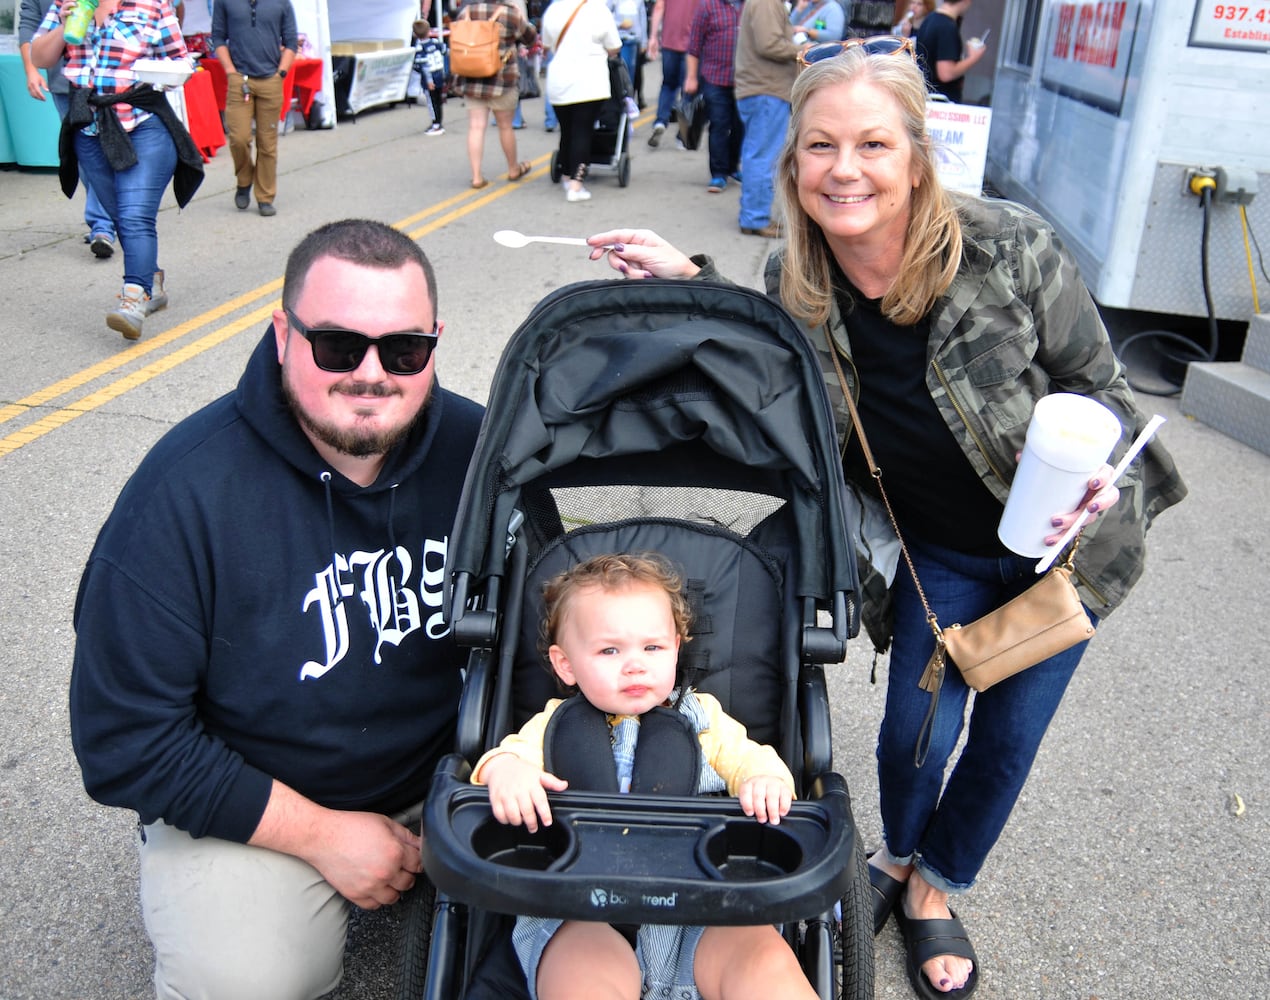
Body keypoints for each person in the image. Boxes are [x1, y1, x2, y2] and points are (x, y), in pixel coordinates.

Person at [585, 44, 1186, 999]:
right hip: (933, 552)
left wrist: (1107, 475)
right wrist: (686, 274)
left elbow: (1098, 383)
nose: (845, 168)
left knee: (1004, 740)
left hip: (1059, 554)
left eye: (873, 143)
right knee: (911, 730)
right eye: (820, 146)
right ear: (795, 167)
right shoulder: (796, 275)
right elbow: (759, 354)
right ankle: (900, 850)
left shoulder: (1009, 248)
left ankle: (935, 889)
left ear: (915, 157)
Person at [69, 218, 485, 1000]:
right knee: (245, 981)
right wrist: (324, 835)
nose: (371, 374)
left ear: (433, 342)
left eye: (403, 350)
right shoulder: (184, 493)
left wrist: (490, 778)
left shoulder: (480, 449)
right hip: (271, 797)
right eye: (337, 346)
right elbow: (122, 739)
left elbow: (553, 630)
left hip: (453, 772)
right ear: (283, 333)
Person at [473, 552, 819, 1000]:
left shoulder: (702, 720)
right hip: (580, 910)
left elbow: (754, 759)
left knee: (763, 964)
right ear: (566, 665)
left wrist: (766, 782)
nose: (634, 664)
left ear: (676, 647)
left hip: (703, 907)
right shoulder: (553, 726)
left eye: (652, 648)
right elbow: (500, 762)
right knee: (581, 980)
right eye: (609, 650)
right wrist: (507, 773)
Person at [32, 0, 203, 342]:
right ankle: (151, 281)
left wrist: (158, 73)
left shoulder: (153, 5)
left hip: (144, 123)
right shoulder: (68, 4)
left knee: (135, 215)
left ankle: (133, 299)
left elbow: (180, 60)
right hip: (90, 126)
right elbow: (40, 58)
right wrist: (60, 28)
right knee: (118, 215)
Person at [19, 0, 118, 259]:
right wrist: (31, 69)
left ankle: (103, 225)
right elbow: (28, 23)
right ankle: (108, 216)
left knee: (106, 151)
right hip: (64, 83)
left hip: (106, 80)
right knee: (85, 156)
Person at [212, 0, 298, 217]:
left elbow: (291, 43)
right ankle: (244, 179)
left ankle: (265, 197)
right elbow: (218, 37)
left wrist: (281, 73)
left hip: (271, 79)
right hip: (239, 79)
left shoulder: (281, 3)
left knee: (267, 144)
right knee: (239, 138)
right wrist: (231, 71)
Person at [732, 0, 802, 238]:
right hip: (766, 89)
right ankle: (755, 218)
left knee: (758, 153)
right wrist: (802, 50)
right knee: (763, 156)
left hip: (763, 89)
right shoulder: (767, 3)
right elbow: (769, 44)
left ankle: (754, 215)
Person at [450, 0, 538, 188]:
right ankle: (513, 169)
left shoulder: (466, 12)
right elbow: (530, 38)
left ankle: (476, 177)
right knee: (505, 127)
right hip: (502, 80)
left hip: (471, 77)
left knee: (475, 127)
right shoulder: (509, 13)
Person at [542, 0, 621, 203]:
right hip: (589, 80)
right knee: (583, 131)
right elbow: (614, 46)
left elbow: (547, 44)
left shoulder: (554, 9)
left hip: (559, 78)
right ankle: (576, 184)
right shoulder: (598, 10)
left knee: (567, 130)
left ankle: (568, 175)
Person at [683, 0, 743, 194]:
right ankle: (718, 173)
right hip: (714, 79)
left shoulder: (750, 6)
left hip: (745, 81)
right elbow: (694, 46)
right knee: (719, 125)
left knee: (740, 127)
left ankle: (733, 167)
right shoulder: (707, 7)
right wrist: (691, 77)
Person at [645, 0, 701, 147]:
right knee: (688, 90)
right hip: (692, 44)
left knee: (668, 84)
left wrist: (653, 37)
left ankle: (660, 121)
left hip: (669, 41)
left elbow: (658, 7)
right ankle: (682, 135)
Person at [913, 0, 985, 103]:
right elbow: (946, 73)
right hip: (941, 101)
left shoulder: (930, 18)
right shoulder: (947, 27)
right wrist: (973, 58)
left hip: (926, 95)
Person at [412, 17, 448, 134]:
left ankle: (436, 125)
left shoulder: (419, 49)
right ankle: (439, 122)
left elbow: (424, 66)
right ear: (429, 32)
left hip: (430, 79)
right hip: (440, 75)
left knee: (432, 102)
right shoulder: (436, 43)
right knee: (438, 101)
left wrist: (428, 81)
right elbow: (446, 51)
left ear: (415, 34)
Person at [608, 0, 647, 87]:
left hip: (632, 40)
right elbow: (605, 15)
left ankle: (628, 96)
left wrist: (644, 42)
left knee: (629, 72)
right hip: (616, 39)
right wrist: (619, 24)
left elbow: (642, 18)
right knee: (615, 72)